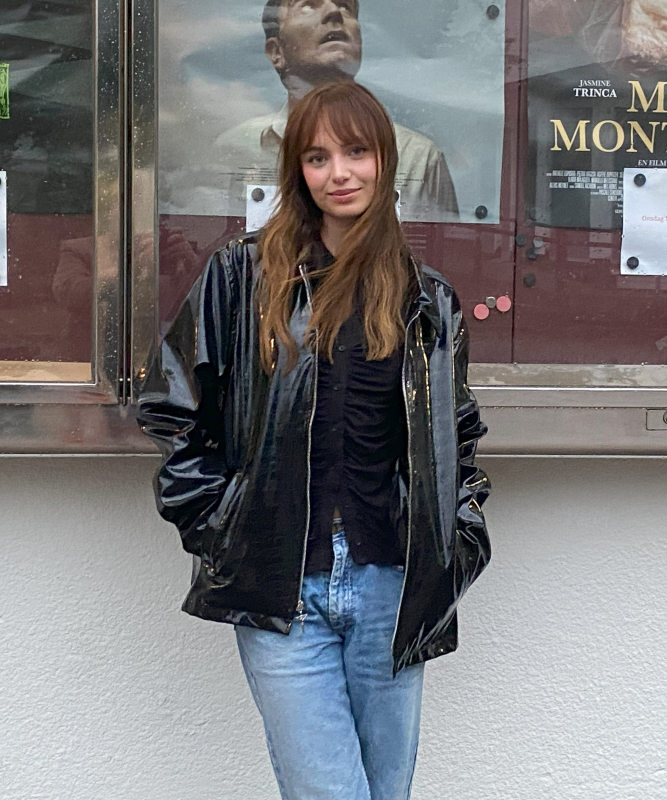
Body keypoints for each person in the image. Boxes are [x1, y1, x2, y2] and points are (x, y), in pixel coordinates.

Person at [138, 81, 490, 800]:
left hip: (392, 586)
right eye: (318, 157)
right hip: (281, 584)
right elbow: (172, 405)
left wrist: (456, 544)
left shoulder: (426, 300)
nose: (339, 173)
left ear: (384, 160)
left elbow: (457, 439)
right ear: (297, 171)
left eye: (356, 152)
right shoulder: (241, 277)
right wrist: (222, 525)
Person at [214, 0, 459, 223]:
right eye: (309, 5)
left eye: (345, 6)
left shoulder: (419, 158)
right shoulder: (232, 150)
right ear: (276, 51)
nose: (334, 12)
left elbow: (443, 248)